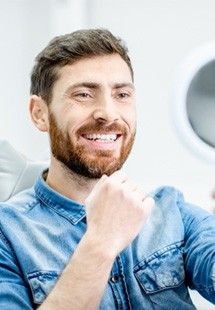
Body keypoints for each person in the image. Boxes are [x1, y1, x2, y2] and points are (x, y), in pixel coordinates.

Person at [0, 28, 214, 310]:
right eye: (84, 94)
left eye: (122, 94)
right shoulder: (7, 235)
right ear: (40, 114)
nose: (108, 113)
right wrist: (101, 242)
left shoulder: (173, 212)